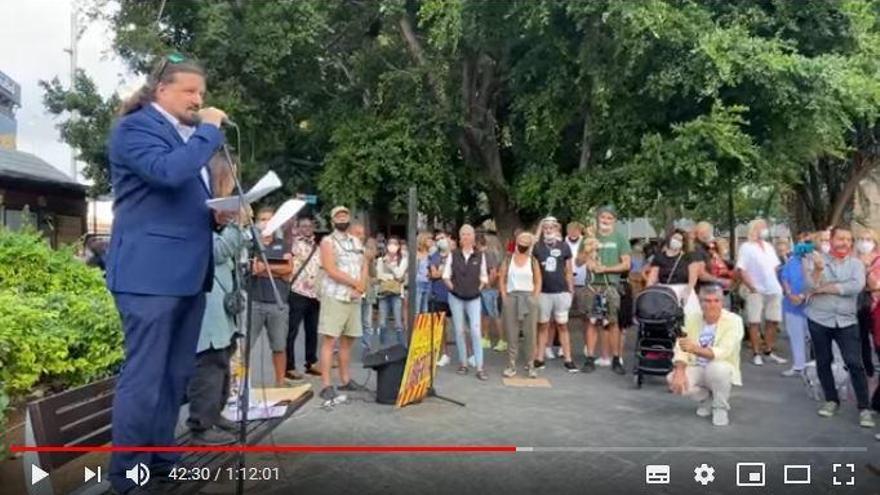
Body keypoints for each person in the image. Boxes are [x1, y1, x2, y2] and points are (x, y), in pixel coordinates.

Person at [105, 53, 229, 493]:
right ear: (161, 90)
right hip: (148, 277)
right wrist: (210, 131)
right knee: (144, 377)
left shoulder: (183, 136)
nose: (199, 100)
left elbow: (180, 197)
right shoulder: (135, 129)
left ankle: (162, 459)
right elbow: (167, 174)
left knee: (174, 375)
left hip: (186, 276)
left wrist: (216, 214)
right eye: (190, 91)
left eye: (202, 93)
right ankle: (129, 476)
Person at [186, 153, 245, 446]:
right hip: (207, 305)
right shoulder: (194, 212)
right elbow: (218, 252)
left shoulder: (215, 217)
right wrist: (237, 226)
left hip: (224, 307)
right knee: (208, 364)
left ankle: (216, 413)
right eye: (231, 177)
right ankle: (200, 424)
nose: (234, 183)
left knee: (223, 360)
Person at [804, 225, 875, 429]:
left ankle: (864, 408)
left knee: (854, 363)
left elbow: (857, 285)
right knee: (823, 360)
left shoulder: (856, 264)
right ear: (831, 240)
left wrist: (827, 288)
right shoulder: (815, 260)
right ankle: (831, 400)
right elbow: (809, 287)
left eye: (848, 240)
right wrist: (818, 271)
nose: (844, 243)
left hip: (846, 320)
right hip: (819, 318)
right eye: (840, 239)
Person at [667, 284, 744, 427]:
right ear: (700, 303)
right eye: (707, 301)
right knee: (672, 379)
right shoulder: (691, 318)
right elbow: (681, 346)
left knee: (717, 369)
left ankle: (720, 407)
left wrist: (694, 348)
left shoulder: (735, 321)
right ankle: (707, 398)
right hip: (697, 366)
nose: (712, 305)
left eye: (716, 301)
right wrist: (679, 370)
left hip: (720, 367)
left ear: (722, 302)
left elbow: (723, 351)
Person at [318, 206, 369, 401]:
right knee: (330, 340)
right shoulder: (327, 242)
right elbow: (331, 269)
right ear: (332, 221)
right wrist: (355, 283)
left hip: (354, 297)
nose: (342, 218)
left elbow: (364, 264)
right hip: (335, 295)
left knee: (348, 340)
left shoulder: (356, 241)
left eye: (345, 215)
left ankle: (346, 379)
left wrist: (362, 285)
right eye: (338, 216)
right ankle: (326, 384)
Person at [249, 206, 294, 387]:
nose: (266, 222)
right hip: (255, 302)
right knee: (245, 347)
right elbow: (252, 270)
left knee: (279, 346)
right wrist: (277, 270)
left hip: (278, 303)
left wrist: (265, 269)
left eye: (270, 219)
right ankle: (242, 384)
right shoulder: (250, 245)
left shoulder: (283, 245)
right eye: (262, 219)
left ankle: (280, 382)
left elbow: (288, 270)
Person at [736, 219, 788, 366]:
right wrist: (751, 287)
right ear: (754, 229)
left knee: (773, 320)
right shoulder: (746, 247)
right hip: (756, 289)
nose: (765, 230)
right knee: (754, 321)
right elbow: (741, 269)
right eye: (762, 227)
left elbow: (775, 267)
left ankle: (768, 350)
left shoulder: (768, 246)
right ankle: (756, 352)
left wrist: (779, 284)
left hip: (773, 289)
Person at [586, 206, 631, 375]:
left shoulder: (620, 238)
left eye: (609, 218)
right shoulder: (591, 236)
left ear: (614, 220)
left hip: (611, 285)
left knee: (613, 323)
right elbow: (580, 260)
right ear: (598, 219)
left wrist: (606, 269)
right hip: (593, 285)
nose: (605, 220)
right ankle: (590, 358)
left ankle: (616, 359)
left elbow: (626, 264)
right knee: (592, 322)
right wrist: (588, 258)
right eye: (602, 217)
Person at [444, 224, 490, 380]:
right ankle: (463, 363)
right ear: (460, 237)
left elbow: (484, 277)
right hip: (456, 297)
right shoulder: (453, 254)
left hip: (474, 298)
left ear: (473, 236)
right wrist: (453, 289)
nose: (466, 237)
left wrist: (478, 289)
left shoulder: (480, 256)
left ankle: (480, 366)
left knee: (476, 332)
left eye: (469, 234)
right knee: (459, 331)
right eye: (463, 234)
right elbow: (445, 276)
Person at [533, 217, 578, 372]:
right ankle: (539, 358)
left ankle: (568, 359)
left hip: (561, 291)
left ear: (557, 229)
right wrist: (539, 226)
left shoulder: (564, 246)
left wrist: (570, 290)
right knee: (543, 325)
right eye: (546, 227)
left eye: (552, 227)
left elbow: (569, 270)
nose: (548, 230)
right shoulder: (537, 247)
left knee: (562, 325)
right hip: (544, 292)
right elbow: (530, 244)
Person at [499, 232, 542, 378]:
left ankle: (530, 364)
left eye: (526, 241)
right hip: (512, 297)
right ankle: (511, 364)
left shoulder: (533, 261)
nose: (523, 244)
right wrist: (504, 296)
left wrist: (535, 297)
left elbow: (538, 280)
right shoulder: (508, 259)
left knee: (530, 333)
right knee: (512, 332)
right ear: (516, 242)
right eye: (521, 240)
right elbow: (502, 278)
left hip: (528, 297)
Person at [285, 216, 322, 380]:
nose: (307, 228)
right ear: (298, 228)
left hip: (315, 293)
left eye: (309, 225)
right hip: (297, 291)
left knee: (312, 330)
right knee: (292, 330)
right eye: (303, 226)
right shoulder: (294, 244)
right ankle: (289, 365)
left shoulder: (317, 245)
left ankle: (311, 362)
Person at [778, 239, 812, 377]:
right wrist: (789, 294)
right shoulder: (791, 262)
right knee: (796, 337)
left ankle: (815, 368)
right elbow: (784, 278)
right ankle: (799, 366)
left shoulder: (816, 262)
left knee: (814, 338)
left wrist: (803, 296)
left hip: (812, 306)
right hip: (792, 305)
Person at [646, 229, 697, 311]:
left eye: (679, 240)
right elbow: (652, 278)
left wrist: (687, 292)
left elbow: (693, 278)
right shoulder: (659, 257)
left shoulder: (688, 257)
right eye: (675, 238)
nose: (676, 241)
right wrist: (648, 293)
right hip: (664, 291)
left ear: (683, 243)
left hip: (683, 291)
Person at [376, 235, 408, 347]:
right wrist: (391, 277)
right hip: (384, 292)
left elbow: (400, 274)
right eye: (390, 243)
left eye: (395, 243)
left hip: (397, 293)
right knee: (382, 322)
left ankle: (401, 347)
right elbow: (379, 275)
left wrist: (389, 265)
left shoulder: (403, 260)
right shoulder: (381, 259)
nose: (392, 246)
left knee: (398, 322)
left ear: (398, 246)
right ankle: (383, 347)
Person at [855, 228, 879, 378]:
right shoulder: (852, 259)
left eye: (868, 240)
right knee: (861, 338)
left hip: (875, 305)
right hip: (858, 303)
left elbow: (876, 285)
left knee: (877, 339)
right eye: (861, 239)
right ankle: (867, 369)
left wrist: (867, 269)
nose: (864, 243)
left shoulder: (878, 259)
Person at [430, 231, 454, 366]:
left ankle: (470, 354)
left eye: (442, 238)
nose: (440, 241)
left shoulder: (455, 255)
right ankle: (444, 354)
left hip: (455, 292)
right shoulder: (434, 256)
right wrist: (445, 270)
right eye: (437, 239)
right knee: (442, 325)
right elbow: (434, 274)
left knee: (462, 325)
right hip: (439, 293)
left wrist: (442, 271)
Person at [478, 232, 505, 352]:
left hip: (490, 290)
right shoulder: (483, 253)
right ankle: (485, 338)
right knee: (485, 314)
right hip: (485, 289)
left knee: (495, 314)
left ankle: (502, 340)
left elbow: (493, 271)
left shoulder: (488, 254)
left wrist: (488, 284)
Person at [415, 233, 434, 314]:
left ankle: (424, 326)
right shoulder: (417, 254)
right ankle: (415, 325)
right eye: (428, 239)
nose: (431, 241)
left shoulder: (430, 254)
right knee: (417, 307)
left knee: (425, 307)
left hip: (428, 281)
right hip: (418, 282)